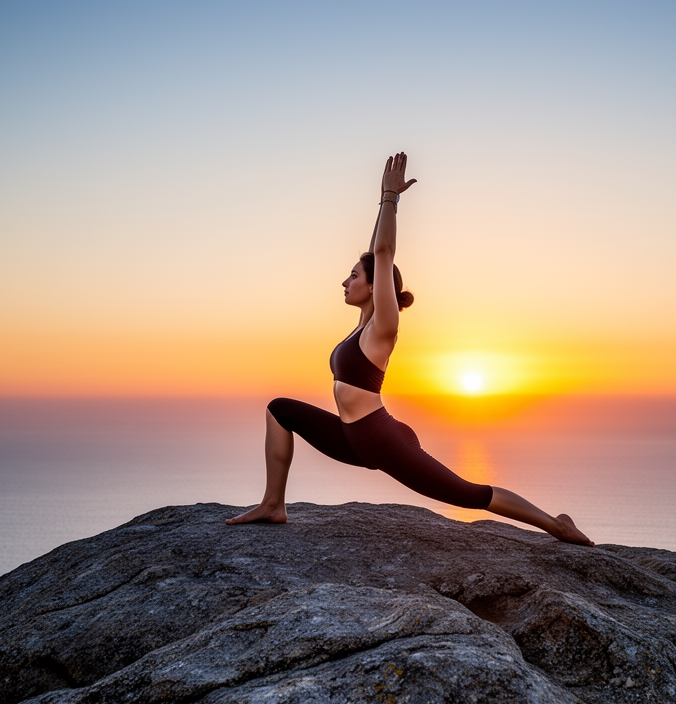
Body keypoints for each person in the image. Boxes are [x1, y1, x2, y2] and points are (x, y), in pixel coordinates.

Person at [227, 153, 594, 546]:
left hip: (382, 441)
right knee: (279, 409)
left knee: (468, 495)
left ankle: (556, 525)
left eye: (353, 276)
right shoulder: (361, 327)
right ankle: (272, 504)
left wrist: (390, 198)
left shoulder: (384, 327)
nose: (344, 281)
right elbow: (374, 254)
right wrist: (380, 206)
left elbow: (382, 255)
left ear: (373, 286)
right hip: (351, 437)